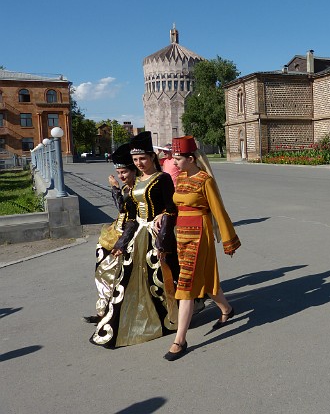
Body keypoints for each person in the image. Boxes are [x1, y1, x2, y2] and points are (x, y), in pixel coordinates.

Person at [91, 131, 179, 348]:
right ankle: (125, 322)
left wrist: (163, 242)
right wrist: (122, 243)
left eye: (143, 159)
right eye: (135, 160)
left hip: (157, 237)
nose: (139, 163)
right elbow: (130, 216)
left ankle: (170, 318)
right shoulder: (137, 182)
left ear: (151, 157)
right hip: (136, 237)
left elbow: (171, 210)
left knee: (159, 280)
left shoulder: (163, 179)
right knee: (128, 280)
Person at [164, 136, 241, 361]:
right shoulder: (183, 179)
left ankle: (180, 340)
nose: (174, 162)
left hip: (200, 234)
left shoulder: (205, 180)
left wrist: (229, 240)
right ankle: (226, 309)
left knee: (186, 284)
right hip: (182, 236)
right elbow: (176, 206)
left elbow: (219, 211)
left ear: (190, 158)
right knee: (205, 279)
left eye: (178, 158)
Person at [87, 143, 139, 324]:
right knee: (103, 269)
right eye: (119, 173)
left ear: (133, 170)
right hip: (117, 231)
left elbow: (133, 218)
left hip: (131, 235)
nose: (121, 176)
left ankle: (115, 312)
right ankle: (105, 310)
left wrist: (122, 242)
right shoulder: (126, 188)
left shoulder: (138, 189)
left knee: (115, 273)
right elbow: (121, 209)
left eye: (124, 172)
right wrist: (116, 188)